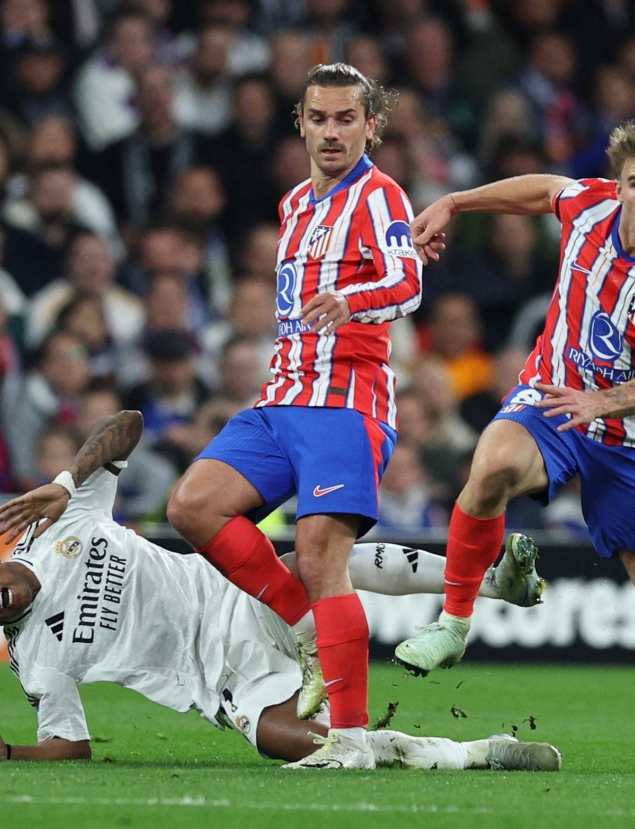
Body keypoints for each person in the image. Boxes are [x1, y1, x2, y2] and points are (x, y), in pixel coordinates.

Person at [0, 409, 554, 770]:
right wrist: (8, 753)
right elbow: (72, 746)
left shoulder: (59, 519)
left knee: (313, 563)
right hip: (216, 677)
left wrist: (67, 478)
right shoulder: (33, 659)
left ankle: (488, 582)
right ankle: (473, 753)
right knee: (289, 745)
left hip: (234, 592)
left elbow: (127, 425)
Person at [393, 121, 635, 775]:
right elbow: (542, 190)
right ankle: (453, 623)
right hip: (553, 398)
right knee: (491, 465)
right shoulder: (590, 203)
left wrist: (601, 401)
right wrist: (456, 202)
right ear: (618, 186)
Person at [165, 63, 425, 771]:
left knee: (317, 556)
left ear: (372, 125)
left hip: (344, 400)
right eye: (320, 118)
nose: (333, 131)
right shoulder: (294, 206)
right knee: (192, 505)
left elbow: (409, 282)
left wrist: (354, 300)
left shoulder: (379, 194)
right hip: (280, 397)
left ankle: (349, 739)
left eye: (348, 118)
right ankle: (310, 630)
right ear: (301, 124)